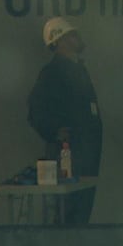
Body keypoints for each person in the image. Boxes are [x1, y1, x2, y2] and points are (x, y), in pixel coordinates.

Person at [27, 17, 103, 225]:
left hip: (85, 152)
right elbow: (35, 111)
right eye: (72, 35)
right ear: (59, 41)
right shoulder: (52, 73)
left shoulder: (78, 70)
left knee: (80, 209)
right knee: (67, 211)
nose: (78, 38)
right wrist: (55, 132)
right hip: (70, 154)